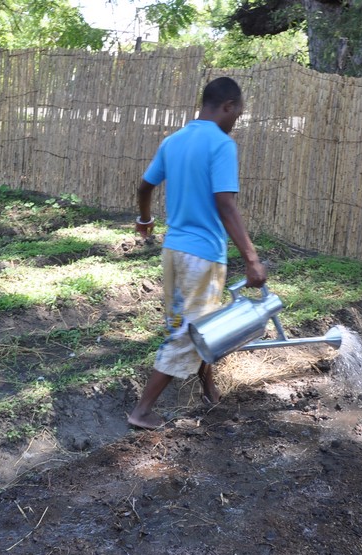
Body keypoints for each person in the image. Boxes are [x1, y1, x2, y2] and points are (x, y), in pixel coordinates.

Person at [127, 76, 267, 430]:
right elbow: (225, 203)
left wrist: (145, 219)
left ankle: (208, 388)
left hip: (173, 251)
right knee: (189, 331)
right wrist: (251, 258)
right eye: (238, 113)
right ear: (228, 107)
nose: (237, 121)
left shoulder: (174, 141)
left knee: (193, 322)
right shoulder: (221, 145)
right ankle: (142, 411)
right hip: (202, 256)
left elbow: (145, 186)